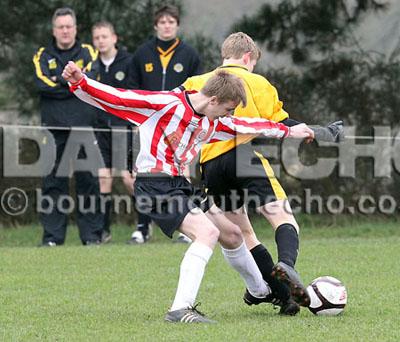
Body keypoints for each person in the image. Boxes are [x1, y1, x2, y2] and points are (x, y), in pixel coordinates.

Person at [62, 61, 314, 322]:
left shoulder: (209, 122)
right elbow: (118, 97)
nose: (227, 116)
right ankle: (180, 309)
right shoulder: (166, 104)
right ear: (214, 99)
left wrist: (288, 131)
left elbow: (244, 126)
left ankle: (260, 291)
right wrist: (80, 82)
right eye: (227, 109)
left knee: (232, 233)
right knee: (208, 232)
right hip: (155, 186)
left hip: (178, 186)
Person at [181, 32, 344, 310]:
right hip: (245, 155)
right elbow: (284, 124)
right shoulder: (258, 82)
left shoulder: (197, 82)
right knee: (282, 217)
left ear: (225, 55)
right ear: (248, 57)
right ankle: (287, 264)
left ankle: (284, 295)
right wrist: (322, 132)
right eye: (253, 62)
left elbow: (181, 118)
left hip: (211, 164)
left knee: (243, 232)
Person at [128, 4, 203, 244]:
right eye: (162, 22)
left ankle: (184, 226)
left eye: (171, 21)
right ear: (155, 25)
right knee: (144, 172)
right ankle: (142, 228)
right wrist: (135, 121)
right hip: (148, 125)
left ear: (177, 25)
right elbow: (132, 89)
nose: (167, 25)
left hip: (179, 125)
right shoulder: (142, 53)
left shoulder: (189, 54)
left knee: (181, 172)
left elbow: (197, 90)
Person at [33, 7, 102, 246]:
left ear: (75, 29)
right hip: (53, 129)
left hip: (84, 127)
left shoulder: (88, 51)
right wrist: (73, 84)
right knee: (53, 183)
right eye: (60, 27)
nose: (65, 31)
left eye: (68, 26)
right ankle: (52, 238)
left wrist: (61, 84)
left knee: (89, 182)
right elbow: (41, 84)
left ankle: (92, 237)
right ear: (54, 30)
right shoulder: (42, 54)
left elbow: (92, 80)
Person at [91, 21, 137, 243]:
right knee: (104, 179)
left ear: (114, 38)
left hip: (124, 128)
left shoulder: (128, 62)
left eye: (104, 36)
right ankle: (103, 231)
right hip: (101, 129)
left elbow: (135, 95)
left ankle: (143, 226)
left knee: (128, 179)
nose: (101, 41)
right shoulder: (92, 67)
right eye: (97, 37)